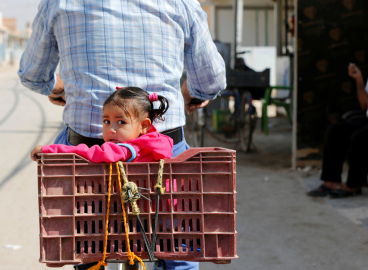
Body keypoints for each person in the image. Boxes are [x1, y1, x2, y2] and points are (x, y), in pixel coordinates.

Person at [19, 1, 226, 269]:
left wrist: (59, 89)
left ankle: (88, 258)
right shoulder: (181, 2)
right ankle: (178, 255)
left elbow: (32, 75)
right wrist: (188, 95)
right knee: (179, 231)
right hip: (162, 149)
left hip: (92, 151)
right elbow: (212, 80)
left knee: (84, 234)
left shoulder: (59, 2)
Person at [307, 35, 368, 198]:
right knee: (335, 130)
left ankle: (354, 184)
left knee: (360, 137)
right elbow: (365, 105)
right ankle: (331, 181)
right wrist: (358, 80)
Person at [31, 87, 172, 162]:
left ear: (144, 126)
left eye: (121, 122)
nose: (111, 129)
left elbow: (89, 154)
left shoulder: (128, 150)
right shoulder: (155, 142)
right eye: (106, 121)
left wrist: (49, 150)